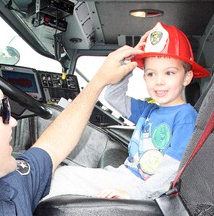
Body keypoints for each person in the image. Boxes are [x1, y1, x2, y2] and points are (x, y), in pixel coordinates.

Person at [0, 43, 142, 215]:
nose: (13, 122)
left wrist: (100, 81)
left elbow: (52, 147)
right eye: (3, 109)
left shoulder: (11, 185)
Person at [45, 22, 210, 200]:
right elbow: (113, 96)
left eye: (169, 73)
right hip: (125, 175)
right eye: (151, 73)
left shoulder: (186, 116)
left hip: (142, 187)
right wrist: (130, 61)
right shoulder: (150, 110)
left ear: (187, 77)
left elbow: (171, 169)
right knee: (61, 175)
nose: (159, 81)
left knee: (61, 180)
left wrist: (137, 193)